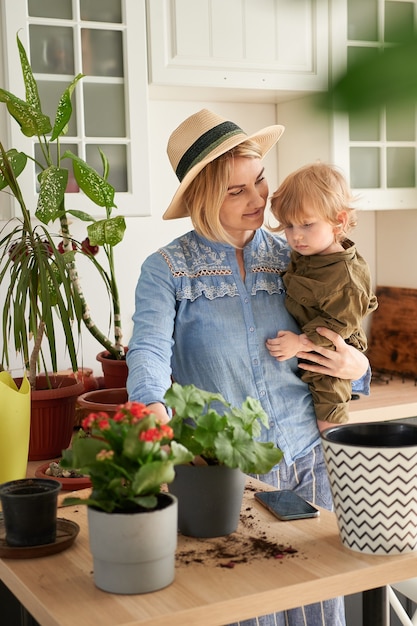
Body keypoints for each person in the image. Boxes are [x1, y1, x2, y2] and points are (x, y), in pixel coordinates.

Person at [126, 109, 369, 626]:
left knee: (320, 606)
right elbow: (148, 350)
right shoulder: (168, 270)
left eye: (259, 180)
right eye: (237, 191)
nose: (259, 199)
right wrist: (148, 409)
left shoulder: (297, 254)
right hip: (224, 475)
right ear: (202, 199)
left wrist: (358, 364)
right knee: (247, 607)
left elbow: (341, 339)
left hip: (309, 458)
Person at [267, 163, 378, 425]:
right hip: (309, 357)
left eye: (306, 224)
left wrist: (300, 343)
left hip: (331, 353)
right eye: (289, 226)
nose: (296, 236)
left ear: (338, 221)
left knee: (328, 411)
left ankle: (333, 454)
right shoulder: (308, 253)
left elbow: (338, 325)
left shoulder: (346, 276)